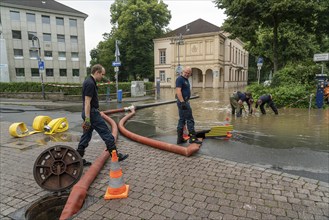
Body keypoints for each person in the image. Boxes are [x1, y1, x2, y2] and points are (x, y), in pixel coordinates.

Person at [77, 64, 128, 166]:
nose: (102, 77)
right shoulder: (90, 83)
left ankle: (77, 159)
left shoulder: (89, 81)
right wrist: (88, 119)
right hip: (91, 114)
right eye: (102, 74)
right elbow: (87, 102)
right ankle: (115, 156)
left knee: (86, 136)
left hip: (90, 113)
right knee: (106, 133)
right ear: (97, 72)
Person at [175, 66, 202, 145]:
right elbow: (178, 91)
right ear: (183, 71)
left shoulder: (186, 80)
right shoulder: (180, 79)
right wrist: (183, 102)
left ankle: (180, 139)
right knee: (190, 120)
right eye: (186, 72)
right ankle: (193, 138)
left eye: (188, 73)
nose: (187, 74)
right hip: (183, 102)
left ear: (190, 74)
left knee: (182, 120)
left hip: (183, 101)